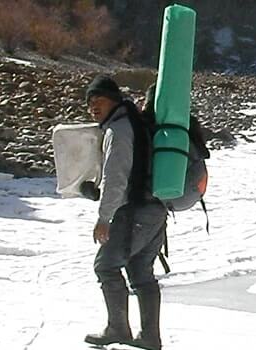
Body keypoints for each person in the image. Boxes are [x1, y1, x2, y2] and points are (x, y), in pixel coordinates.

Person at [82, 76, 168, 350]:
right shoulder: (136, 123)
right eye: (90, 102)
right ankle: (150, 337)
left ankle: (118, 327)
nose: (93, 106)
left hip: (135, 212)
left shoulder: (118, 129)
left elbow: (116, 178)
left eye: (100, 100)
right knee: (141, 269)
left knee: (106, 266)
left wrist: (104, 218)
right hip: (155, 208)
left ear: (114, 101)